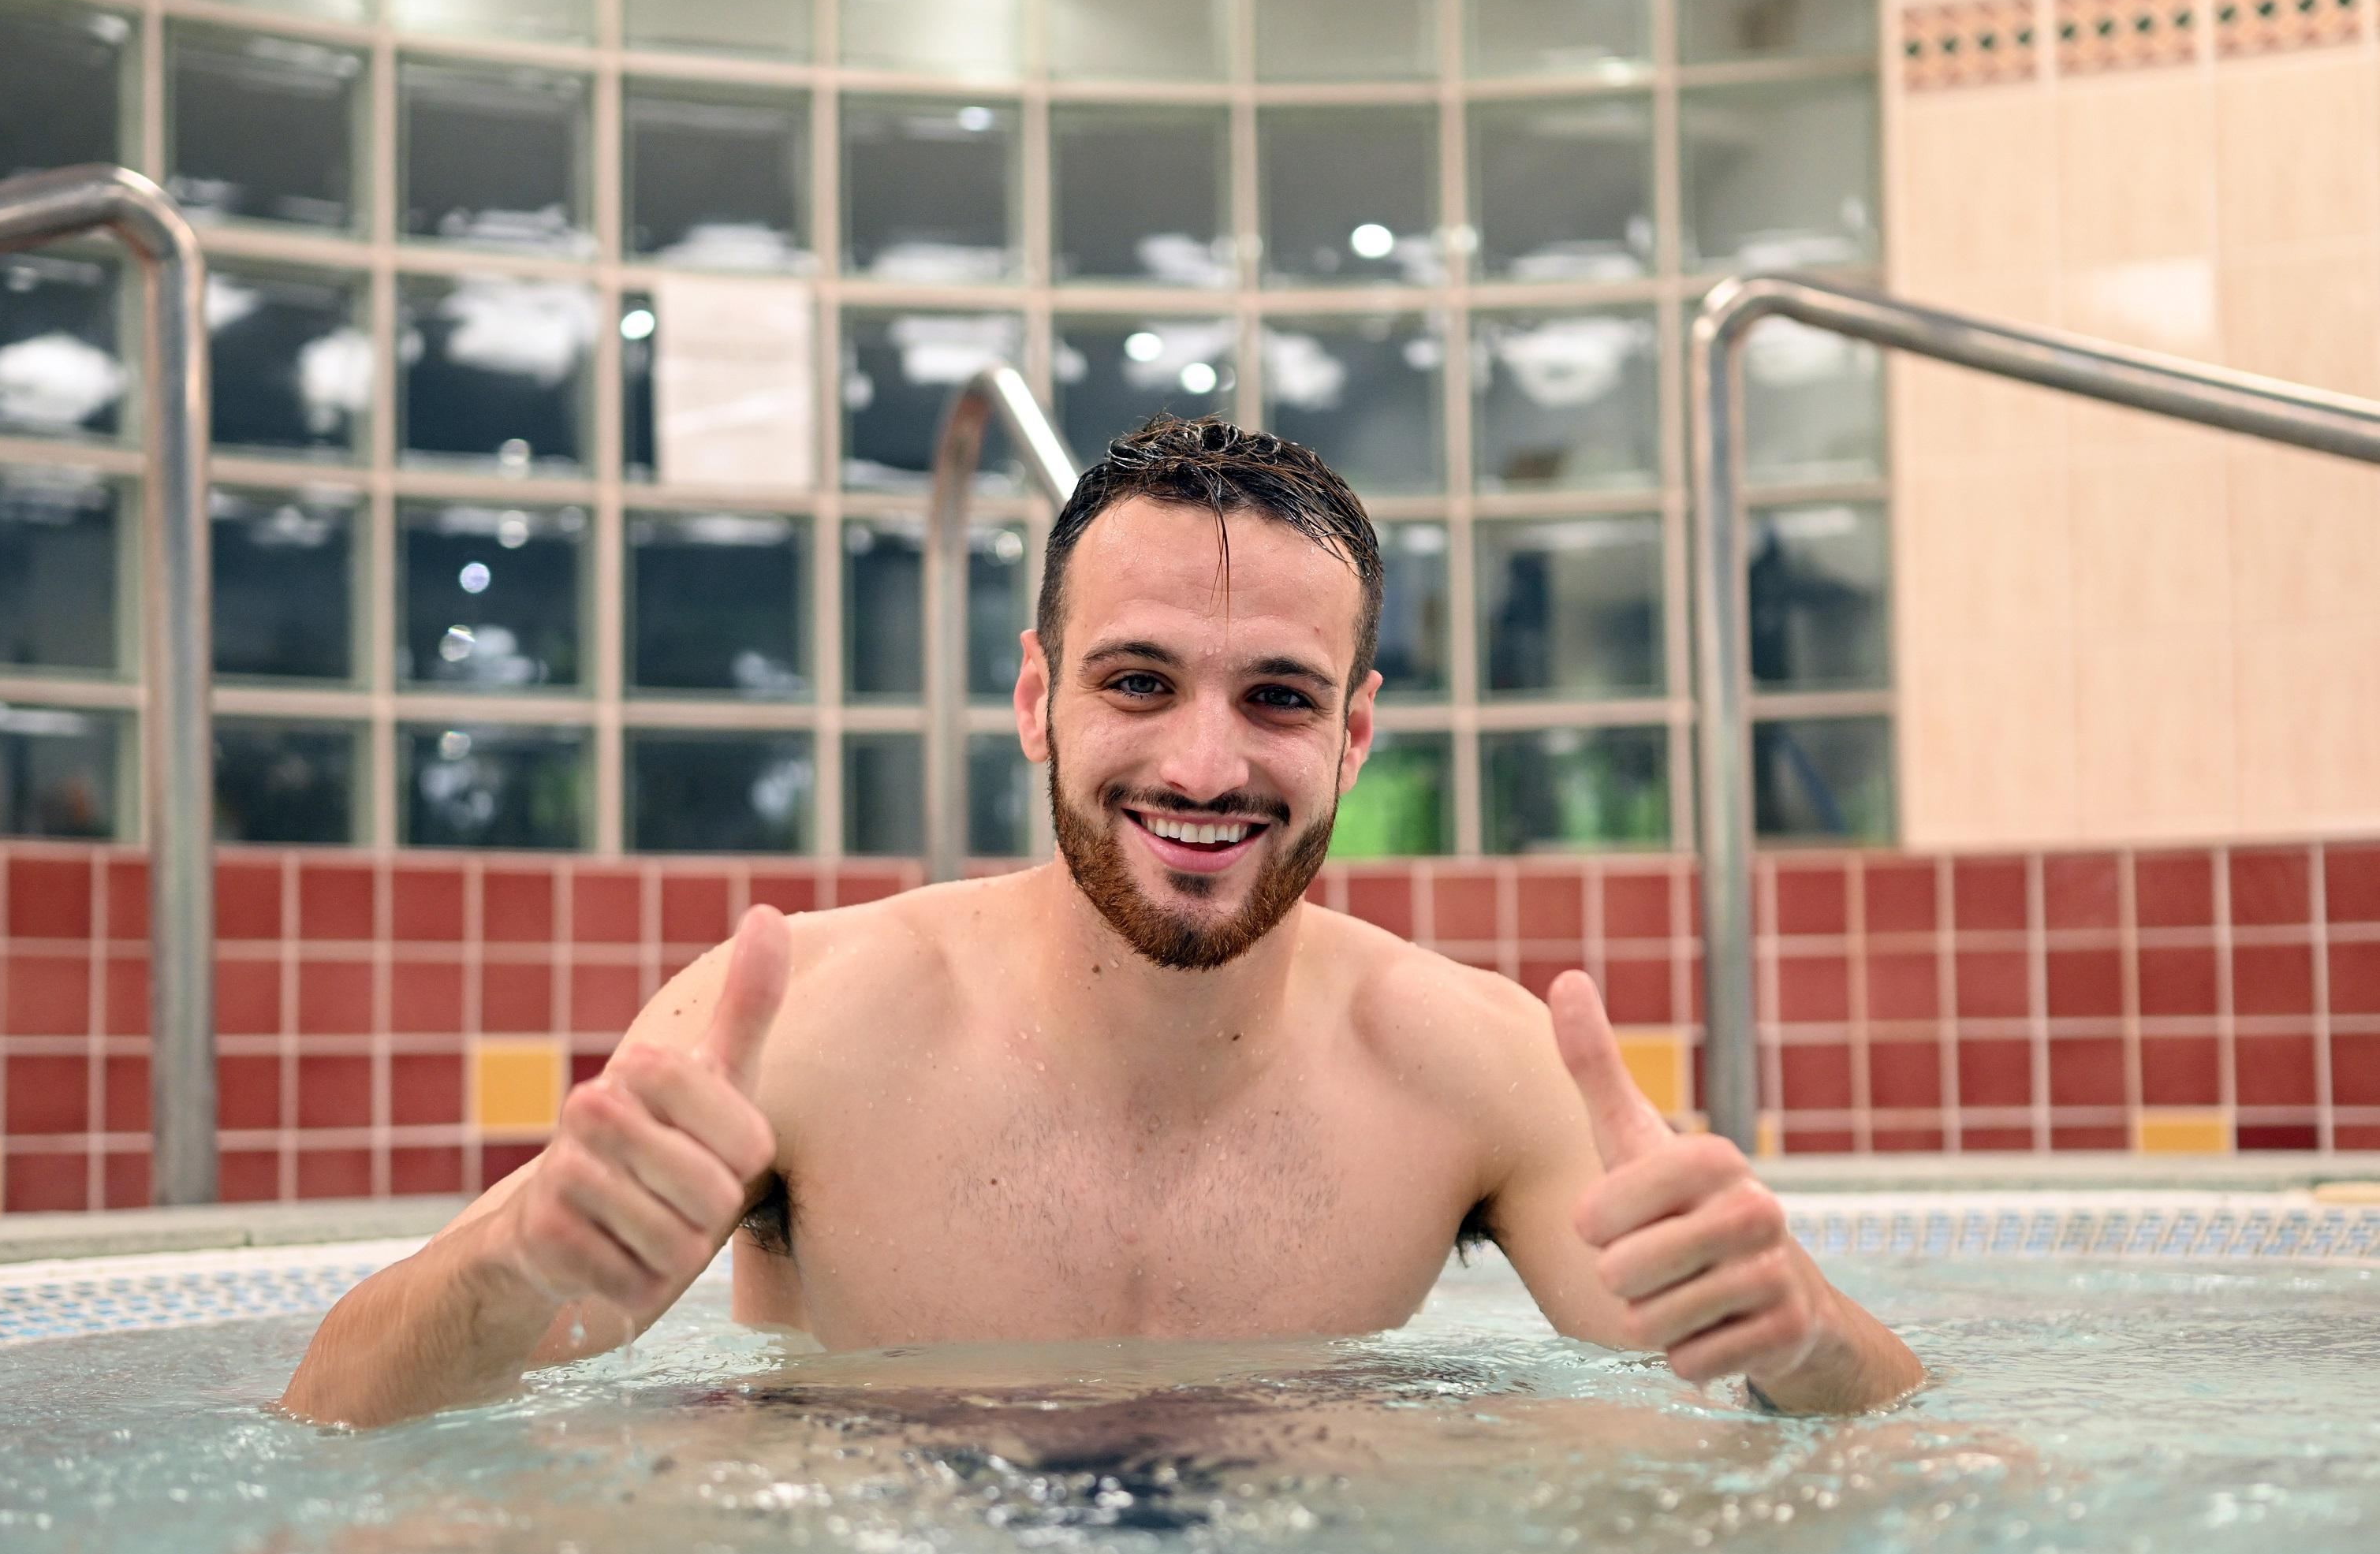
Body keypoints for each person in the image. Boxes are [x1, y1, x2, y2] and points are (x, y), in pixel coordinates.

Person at [282, 417, 1922, 1429]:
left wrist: (1799, 1337)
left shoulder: (1471, 1063)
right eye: (1139, 681)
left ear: (1353, 733)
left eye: (1275, 697)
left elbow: (1897, 1432)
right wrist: (519, 1259)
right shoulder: (800, 1026)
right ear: (1037, 700)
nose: (1204, 764)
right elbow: (331, 1407)